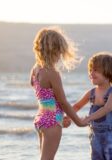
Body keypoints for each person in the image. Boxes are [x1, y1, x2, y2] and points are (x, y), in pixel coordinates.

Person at [30, 26, 87, 160]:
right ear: (53, 51)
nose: (60, 57)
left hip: (40, 119)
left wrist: (60, 118)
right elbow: (63, 102)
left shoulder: (35, 69)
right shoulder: (52, 74)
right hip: (52, 123)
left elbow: (41, 93)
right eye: (59, 53)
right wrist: (78, 121)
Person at [72, 52, 112, 160]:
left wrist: (88, 118)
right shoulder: (91, 93)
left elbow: (106, 109)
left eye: (96, 70)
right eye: (91, 70)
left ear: (108, 72)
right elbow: (77, 106)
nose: (92, 73)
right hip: (95, 139)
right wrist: (68, 117)